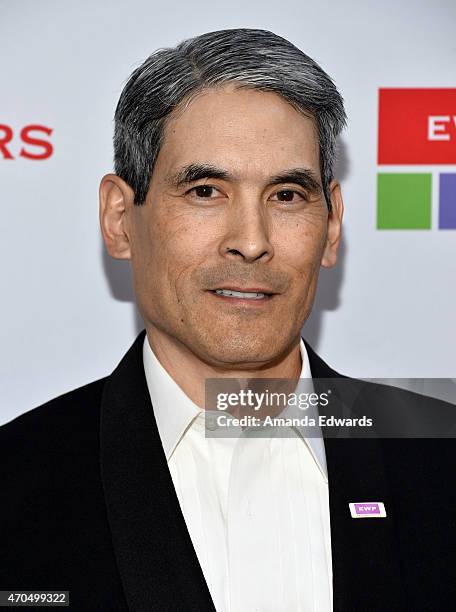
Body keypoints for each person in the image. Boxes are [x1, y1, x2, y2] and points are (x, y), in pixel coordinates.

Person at [1, 28, 454, 612]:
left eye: (287, 196)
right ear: (120, 219)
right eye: (206, 190)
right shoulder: (16, 485)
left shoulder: (440, 460)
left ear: (332, 224)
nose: (251, 242)